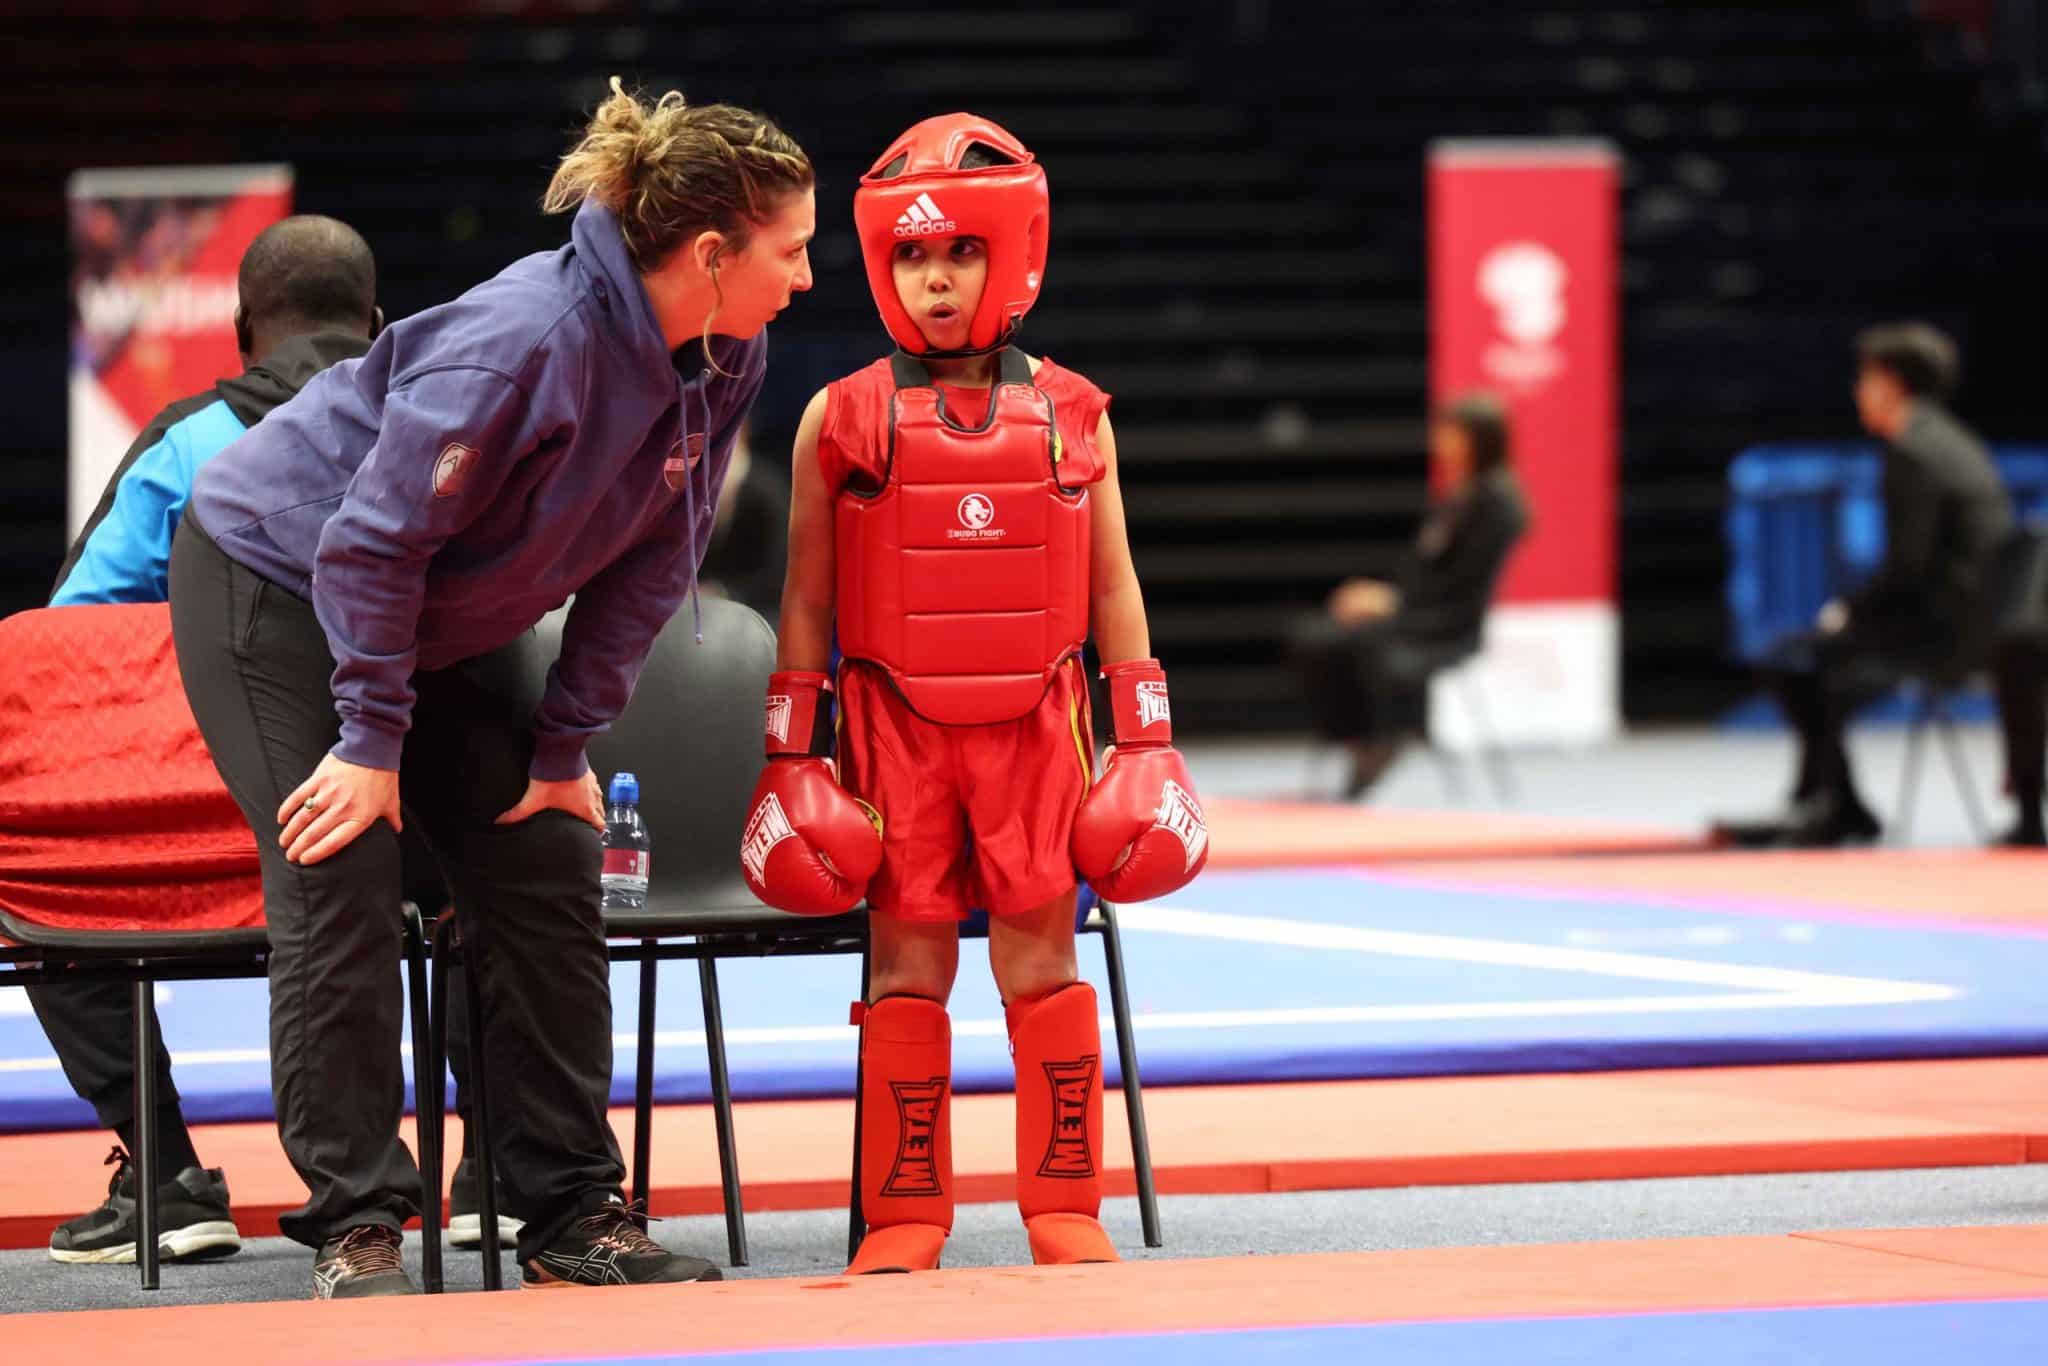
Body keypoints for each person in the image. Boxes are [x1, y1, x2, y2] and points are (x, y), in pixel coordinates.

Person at [166, 81, 814, 1298]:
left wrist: (563, 744)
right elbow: (369, 545)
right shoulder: (522, 341)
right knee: (339, 855)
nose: (808, 276)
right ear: (712, 254)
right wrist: (370, 740)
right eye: (791, 249)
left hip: (433, 608)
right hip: (276, 578)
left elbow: (652, 564)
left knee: (546, 847)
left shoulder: (731, 351)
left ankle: (566, 1204)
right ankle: (358, 1216)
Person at [738, 114, 1209, 1274]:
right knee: (907, 973)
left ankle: (1064, 1204)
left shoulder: (1074, 412)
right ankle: (906, 1212)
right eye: (910, 255)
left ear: (1014, 254)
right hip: (892, 736)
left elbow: (1115, 585)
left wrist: (1145, 743)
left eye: (958, 251)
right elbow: (804, 597)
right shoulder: (839, 414)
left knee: (1039, 968)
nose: (934, 278)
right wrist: (791, 756)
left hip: (1039, 733)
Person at [32, 215, 380, 1266]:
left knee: (38, 865)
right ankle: (491, 1172)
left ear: (240, 331)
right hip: (395, 819)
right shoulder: (430, 421)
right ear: (376, 322)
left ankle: (166, 1173)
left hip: (193, 839)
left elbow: (69, 645)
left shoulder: (187, 443)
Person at [1720, 323, 2012, 847]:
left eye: (1865, 379)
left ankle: (1831, 806)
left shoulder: (1913, 453)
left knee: (1796, 660)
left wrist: (1850, 611)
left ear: (1891, 384)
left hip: (1943, 632)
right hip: (1972, 620)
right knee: (1808, 656)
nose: (1858, 390)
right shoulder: (1951, 441)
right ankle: (1831, 801)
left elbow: (1908, 569)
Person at [1289, 393, 1528, 800]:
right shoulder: (1456, 496)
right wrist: (1380, 596)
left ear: (1479, 439)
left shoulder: (1498, 505)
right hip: (1413, 609)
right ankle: (1356, 739)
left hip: (1445, 623)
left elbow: (1460, 587)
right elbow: (1419, 571)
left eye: (1452, 434)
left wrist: (1393, 606)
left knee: (1365, 641)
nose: (1441, 442)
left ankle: (1386, 738)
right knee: (1316, 638)